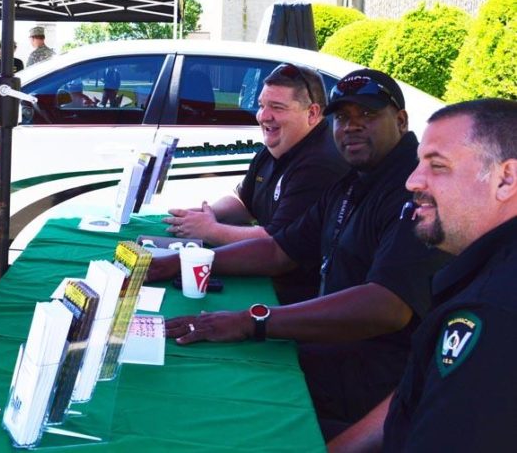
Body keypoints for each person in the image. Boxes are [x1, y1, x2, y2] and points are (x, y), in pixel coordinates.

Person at [151, 69, 451, 438]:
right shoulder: (354, 179)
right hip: (334, 350)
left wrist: (253, 320)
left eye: (368, 115)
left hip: (376, 379)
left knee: (223, 394)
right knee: (210, 366)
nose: (351, 127)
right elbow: (280, 249)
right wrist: (172, 264)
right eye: (342, 117)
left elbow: (386, 307)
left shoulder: (411, 192)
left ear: (401, 121)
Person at [329, 98, 517, 453]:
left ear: (505, 179)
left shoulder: (492, 312)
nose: (413, 181)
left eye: (438, 166)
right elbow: (416, 391)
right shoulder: (483, 268)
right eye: (418, 164)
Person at [162, 63, 349, 303]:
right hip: (266, 280)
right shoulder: (280, 144)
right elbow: (244, 201)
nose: (263, 116)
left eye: (277, 107)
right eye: (261, 105)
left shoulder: (320, 163)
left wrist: (210, 230)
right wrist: (206, 214)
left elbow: (275, 246)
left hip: (295, 297)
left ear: (312, 113)